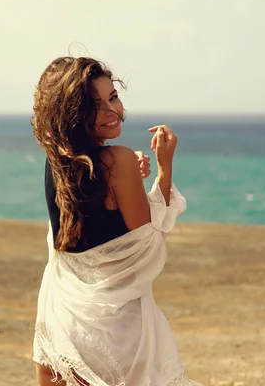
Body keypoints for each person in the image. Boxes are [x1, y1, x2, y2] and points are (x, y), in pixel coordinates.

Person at [31, 56, 200, 385]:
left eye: (114, 97)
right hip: (117, 336)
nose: (112, 111)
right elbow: (146, 250)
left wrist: (125, 181)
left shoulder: (57, 164)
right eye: (96, 105)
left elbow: (79, 234)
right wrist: (164, 169)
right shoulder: (117, 160)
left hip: (61, 324)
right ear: (73, 114)